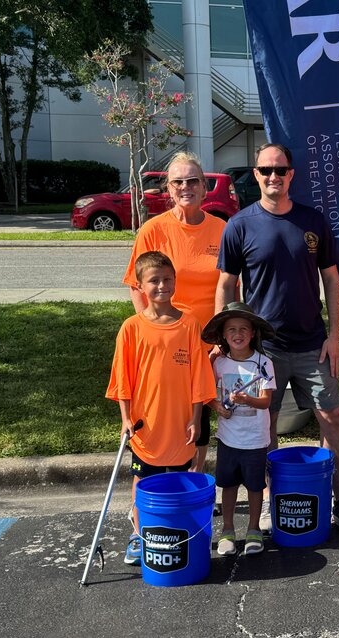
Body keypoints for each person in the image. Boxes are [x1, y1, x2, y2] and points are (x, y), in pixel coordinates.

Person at [215, 142, 339, 536]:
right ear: (256, 175)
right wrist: (226, 337)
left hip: (312, 344)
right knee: (262, 426)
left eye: (280, 170)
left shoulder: (312, 221)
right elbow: (227, 284)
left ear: (291, 175)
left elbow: (332, 280)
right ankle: (268, 502)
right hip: (262, 351)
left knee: (331, 418)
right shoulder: (240, 225)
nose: (273, 177)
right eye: (266, 170)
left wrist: (335, 335)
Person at [106, 251, 216, 565]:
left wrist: (195, 418)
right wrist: (126, 418)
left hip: (181, 422)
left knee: (181, 480)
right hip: (146, 425)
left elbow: (198, 377)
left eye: (168, 279)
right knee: (143, 482)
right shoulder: (131, 328)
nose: (162, 286)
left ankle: (180, 530)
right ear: (140, 286)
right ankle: (139, 535)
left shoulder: (190, 325)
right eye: (154, 280)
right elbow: (122, 379)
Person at [122, 151, 227, 473]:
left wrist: (222, 339)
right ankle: (153, 488)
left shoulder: (222, 229)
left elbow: (232, 285)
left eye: (193, 180)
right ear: (168, 189)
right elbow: (136, 284)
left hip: (208, 343)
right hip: (164, 342)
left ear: (204, 187)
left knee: (201, 416)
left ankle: (193, 489)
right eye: (177, 182)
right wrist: (149, 330)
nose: (186, 187)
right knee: (163, 413)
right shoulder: (153, 231)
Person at [202, 302, 277, 556]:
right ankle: (228, 530)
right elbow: (209, 394)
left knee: (255, 486)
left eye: (244, 329)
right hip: (228, 438)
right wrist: (217, 407)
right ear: (223, 334)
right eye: (231, 329)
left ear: (253, 333)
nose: (238, 334)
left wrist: (247, 400)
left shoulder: (263, 363)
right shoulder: (219, 363)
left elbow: (266, 401)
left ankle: (254, 529)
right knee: (229, 485)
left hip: (255, 439)